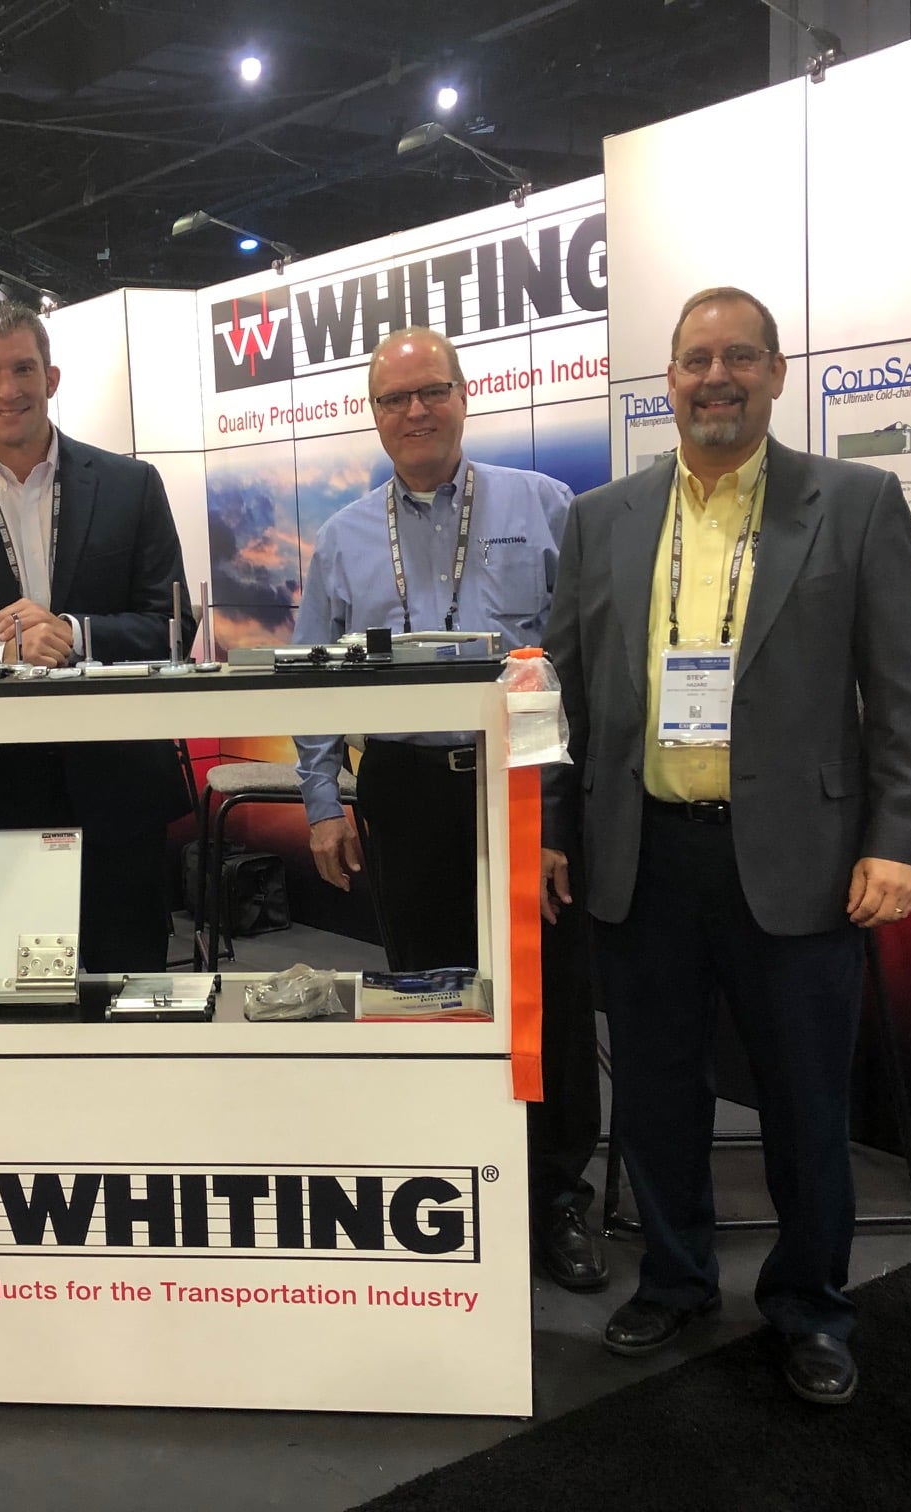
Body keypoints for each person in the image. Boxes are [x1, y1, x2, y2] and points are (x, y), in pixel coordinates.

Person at [540, 287, 911, 1406]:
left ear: (775, 372)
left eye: (739, 358)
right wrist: (554, 832)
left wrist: (899, 839)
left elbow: (904, 692)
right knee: (657, 1093)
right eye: (695, 360)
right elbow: (564, 700)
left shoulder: (853, 504)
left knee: (806, 1102)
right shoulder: (603, 519)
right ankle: (674, 1281)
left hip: (801, 859)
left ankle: (811, 1306)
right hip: (643, 855)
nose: (715, 378)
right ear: (667, 381)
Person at [291, 327, 605, 1295]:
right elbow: (312, 677)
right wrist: (323, 798)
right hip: (406, 788)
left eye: (432, 391)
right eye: (395, 399)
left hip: (522, 784)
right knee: (429, 989)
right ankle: (453, 1175)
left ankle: (557, 1194)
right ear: (375, 416)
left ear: (465, 396)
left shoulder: (544, 506)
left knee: (546, 998)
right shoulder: (344, 538)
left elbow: (580, 667)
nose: (415, 412)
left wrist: (560, 821)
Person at [0, 299, 194, 972]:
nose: (9, 389)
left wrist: (73, 633)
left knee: (127, 992)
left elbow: (173, 625)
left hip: (118, 793)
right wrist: (1, 650)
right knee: (9, 1002)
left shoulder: (132, 486)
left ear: (51, 378)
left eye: (24, 368)